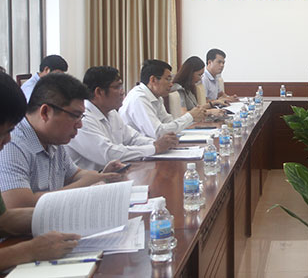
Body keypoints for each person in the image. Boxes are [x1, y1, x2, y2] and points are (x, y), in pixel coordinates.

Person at [0, 73, 125, 209]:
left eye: (81, 117)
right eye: (75, 116)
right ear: (45, 112)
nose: (80, 125)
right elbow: (18, 206)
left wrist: (102, 175)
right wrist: (84, 184)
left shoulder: (53, 139)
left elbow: (74, 174)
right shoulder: (11, 143)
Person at [0, 73, 81, 268]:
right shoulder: (16, 146)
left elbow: (4, 220)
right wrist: (30, 250)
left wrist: (70, 216)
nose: (8, 139)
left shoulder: (53, 141)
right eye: (6, 131)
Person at [65, 66, 179, 170]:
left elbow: (132, 138)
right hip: (90, 182)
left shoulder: (112, 113)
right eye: (117, 87)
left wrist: (162, 143)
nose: (122, 92)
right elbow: (109, 154)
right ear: (99, 92)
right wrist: (155, 147)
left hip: (112, 175)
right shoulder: (82, 118)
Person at [120, 59, 207, 139]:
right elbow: (158, 132)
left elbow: (168, 123)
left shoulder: (156, 97)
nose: (171, 84)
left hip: (151, 145)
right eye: (168, 79)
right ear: (153, 80)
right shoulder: (139, 98)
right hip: (137, 148)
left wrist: (193, 117)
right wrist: (190, 116)